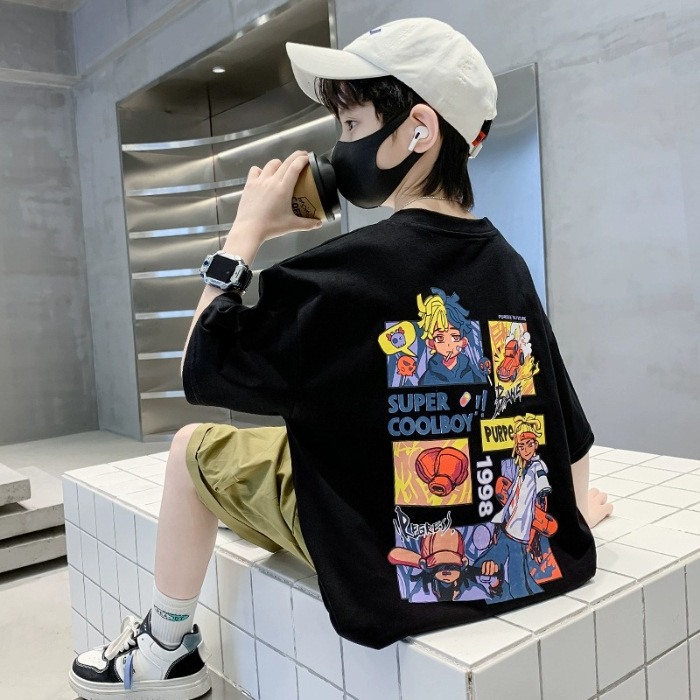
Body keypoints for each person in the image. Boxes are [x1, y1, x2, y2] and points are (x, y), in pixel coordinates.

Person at [68, 17, 613, 700]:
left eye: (352, 125)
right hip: (523, 559)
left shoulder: (341, 273)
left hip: (379, 565)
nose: (340, 146)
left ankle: (164, 652)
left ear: (419, 130)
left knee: (189, 449)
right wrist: (571, 516)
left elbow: (199, 366)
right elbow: (564, 424)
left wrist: (246, 233)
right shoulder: (509, 266)